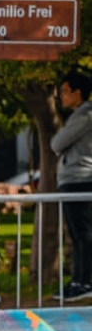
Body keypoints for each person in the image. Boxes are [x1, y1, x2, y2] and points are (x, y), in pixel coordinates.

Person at [53, 71, 92, 301]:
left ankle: (83, 281)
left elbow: (57, 143)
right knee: (78, 235)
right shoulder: (79, 114)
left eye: (65, 91)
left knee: (83, 233)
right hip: (74, 179)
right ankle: (78, 280)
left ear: (78, 93)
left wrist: (58, 142)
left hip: (81, 179)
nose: (61, 96)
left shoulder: (84, 114)